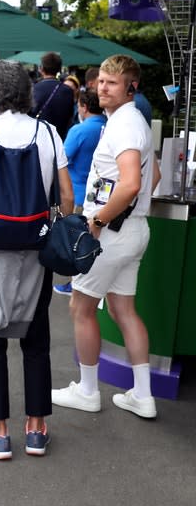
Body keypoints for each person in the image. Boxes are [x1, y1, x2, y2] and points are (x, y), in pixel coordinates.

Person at [0, 60, 74, 459]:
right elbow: (64, 194)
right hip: (38, 245)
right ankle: (36, 427)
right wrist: (53, 223)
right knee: (36, 335)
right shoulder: (48, 132)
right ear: (27, 91)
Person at [52, 55, 162, 419]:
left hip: (111, 233)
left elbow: (131, 183)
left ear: (131, 87)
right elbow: (154, 177)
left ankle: (87, 391)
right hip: (132, 231)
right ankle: (142, 395)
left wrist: (97, 219)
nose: (102, 87)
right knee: (122, 309)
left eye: (112, 83)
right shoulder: (132, 122)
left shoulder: (124, 125)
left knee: (81, 308)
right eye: (101, 81)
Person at [54, 90, 107, 296]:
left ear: (84, 106)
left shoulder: (79, 130)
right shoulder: (108, 126)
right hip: (102, 193)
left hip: (77, 193)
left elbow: (62, 158)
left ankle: (74, 282)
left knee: (75, 242)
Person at [31, 52, 75, 141]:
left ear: (41, 69)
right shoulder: (68, 91)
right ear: (59, 69)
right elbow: (70, 117)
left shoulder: (33, 89)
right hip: (61, 138)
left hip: (38, 139)